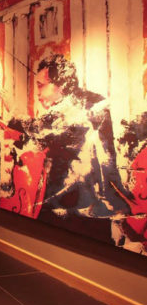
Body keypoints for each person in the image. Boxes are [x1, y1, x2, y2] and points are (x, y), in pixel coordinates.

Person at [8, 54, 132, 240]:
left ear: (60, 86)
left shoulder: (70, 108)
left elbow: (36, 128)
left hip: (71, 210)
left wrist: (12, 113)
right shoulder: (94, 103)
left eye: (41, 85)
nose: (38, 93)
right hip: (96, 210)